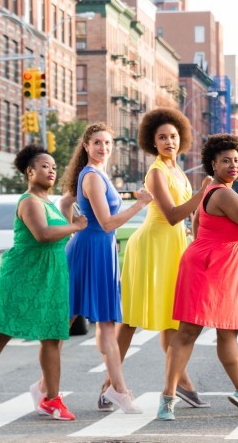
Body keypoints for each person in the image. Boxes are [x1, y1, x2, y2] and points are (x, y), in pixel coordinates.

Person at [0, 145, 87, 422]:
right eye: (45, 166)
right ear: (30, 172)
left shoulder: (50, 203)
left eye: (54, 166)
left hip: (53, 275)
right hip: (22, 275)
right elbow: (43, 234)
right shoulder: (29, 201)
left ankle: (52, 399)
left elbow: (60, 237)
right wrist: (75, 226)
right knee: (0, 334)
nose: (51, 170)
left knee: (52, 337)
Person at [104, 108, 213, 410]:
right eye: (162, 137)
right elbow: (173, 214)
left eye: (173, 136)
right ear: (152, 142)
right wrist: (202, 193)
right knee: (132, 320)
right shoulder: (156, 172)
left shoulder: (177, 170)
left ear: (182, 138)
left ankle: (180, 383)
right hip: (152, 245)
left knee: (172, 317)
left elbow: (189, 219)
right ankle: (110, 384)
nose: (169, 142)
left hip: (174, 247)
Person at [158, 134, 238, 421]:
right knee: (190, 332)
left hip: (219, 264)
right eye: (225, 161)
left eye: (236, 160)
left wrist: (209, 247)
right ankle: (170, 397)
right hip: (212, 265)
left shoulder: (214, 191)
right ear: (213, 163)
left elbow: (197, 224)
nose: (233, 165)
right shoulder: (222, 192)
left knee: (225, 331)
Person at [59, 122, 152, 414]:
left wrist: (73, 222)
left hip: (100, 249)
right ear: (86, 146)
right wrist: (140, 205)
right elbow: (107, 223)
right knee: (63, 321)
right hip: (89, 249)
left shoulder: (98, 175)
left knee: (106, 323)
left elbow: (66, 202)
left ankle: (116, 389)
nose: (103, 148)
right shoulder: (92, 178)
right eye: (97, 142)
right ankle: (47, 388)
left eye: (108, 143)